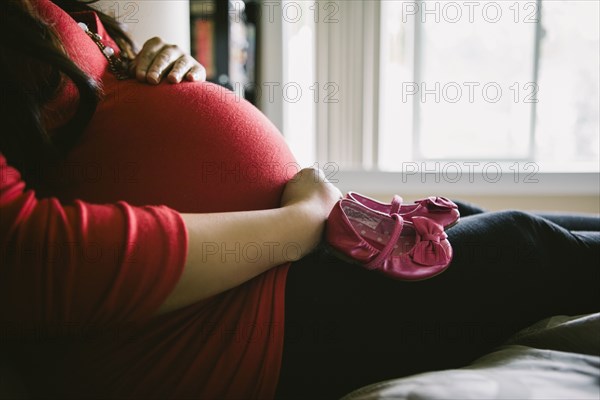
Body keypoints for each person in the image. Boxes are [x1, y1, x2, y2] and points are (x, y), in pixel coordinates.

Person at [0, 1, 598, 399]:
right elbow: (24, 258)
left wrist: (147, 67)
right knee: (519, 246)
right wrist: (299, 222)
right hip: (218, 333)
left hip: (265, 278)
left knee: (477, 220)